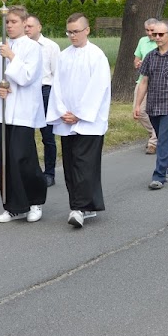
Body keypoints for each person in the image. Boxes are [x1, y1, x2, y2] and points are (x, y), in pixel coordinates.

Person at [0, 6, 47, 224]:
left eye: (13, 22)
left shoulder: (32, 48)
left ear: (24, 23)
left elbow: (27, 77)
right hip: (2, 112)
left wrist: (11, 56)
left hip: (23, 112)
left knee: (22, 157)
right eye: (7, 22)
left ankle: (35, 201)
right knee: (4, 159)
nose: (9, 25)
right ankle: (13, 206)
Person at [48, 13, 110, 228]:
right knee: (70, 164)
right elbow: (57, 86)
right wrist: (62, 111)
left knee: (85, 165)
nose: (72, 36)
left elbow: (98, 88)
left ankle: (79, 208)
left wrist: (80, 114)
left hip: (89, 122)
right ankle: (85, 204)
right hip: (66, 120)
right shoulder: (63, 56)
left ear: (87, 30)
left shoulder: (97, 56)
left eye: (76, 31)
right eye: (69, 32)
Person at [134, 20, 168, 190]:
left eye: (160, 34)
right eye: (154, 34)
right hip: (153, 105)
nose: (157, 37)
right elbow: (144, 81)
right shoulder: (150, 56)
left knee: (163, 141)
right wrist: (138, 105)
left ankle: (159, 176)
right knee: (163, 139)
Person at [24, 15, 61, 187]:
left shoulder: (50, 47)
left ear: (39, 27)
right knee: (24, 135)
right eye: (25, 26)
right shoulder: (21, 46)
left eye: (30, 26)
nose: (27, 29)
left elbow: (57, 74)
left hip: (45, 90)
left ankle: (49, 173)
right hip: (26, 91)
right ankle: (26, 172)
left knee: (47, 135)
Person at [133, 18, 160, 154]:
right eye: (147, 30)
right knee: (138, 111)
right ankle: (156, 133)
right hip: (142, 80)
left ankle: (153, 142)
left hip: (157, 83)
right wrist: (138, 64)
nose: (149, 33)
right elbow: (136, 59)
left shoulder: (163, 41)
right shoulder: (142, 41)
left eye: (152, 30)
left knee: (154, 112)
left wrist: (149, 64)